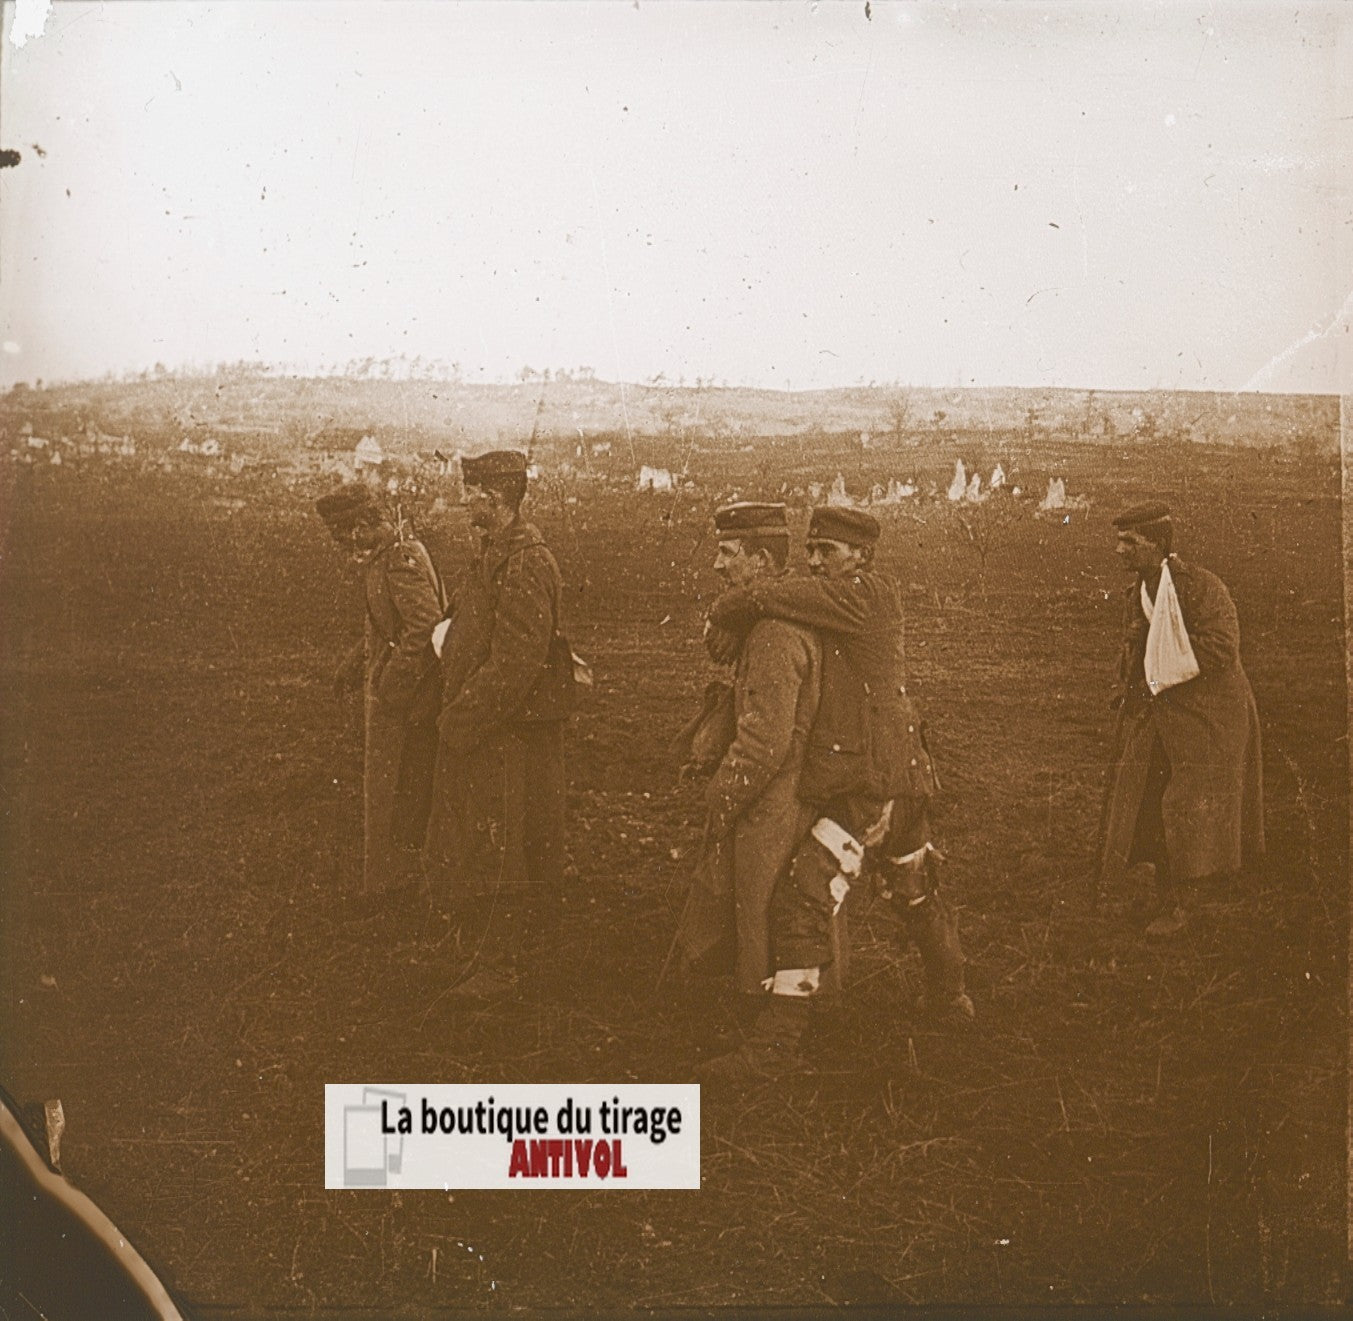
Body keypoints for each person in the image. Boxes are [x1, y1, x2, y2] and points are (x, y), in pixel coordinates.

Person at [697, 505, 972, 1085]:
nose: (816, 561)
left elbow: (770, 596)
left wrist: (727, 608)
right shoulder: (837, 601)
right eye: (811, 550)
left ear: (862, 555)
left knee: (805, 894)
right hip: (901, 771)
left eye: (829, 551)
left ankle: (777, 1042)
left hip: (872, 782)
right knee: (913, 885)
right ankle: (950, 992)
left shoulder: (869, 595)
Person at [672, 503, 831, 1036]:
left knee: (758, 907)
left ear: (762, 561)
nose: (717, 565)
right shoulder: (770, 624)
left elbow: (764, 742)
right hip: (786, 791)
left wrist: (721, 795)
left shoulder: (773, 634)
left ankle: (760, 1017)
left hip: (773, 799)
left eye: (728, 553)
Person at [421, 450, 573, 986]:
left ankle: (498, 966)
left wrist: (462, 719)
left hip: (506, 732)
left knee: (501, 847)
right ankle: (485, 953)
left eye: (472, 493)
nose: (465, 501)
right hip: (489, 728)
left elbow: (516, 662)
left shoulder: (526, 562)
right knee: (484, 841)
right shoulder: (495, 555)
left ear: (496, 498)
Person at [1097, 502, 1264, 938]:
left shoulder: (1202, 588)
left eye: (1129, 542)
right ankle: (1164, 892)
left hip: (1209, 717)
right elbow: (1138, 652)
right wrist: (1127, 681)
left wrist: (1157, 662)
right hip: (1162, 713)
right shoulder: (1139, 591)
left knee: (1187, 806)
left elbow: (1222, 645)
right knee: (1147, 797)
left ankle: (1185, 905)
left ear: (1156, 544)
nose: (1119, 550)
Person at [316, 485, 446, 904]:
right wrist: (355, 665)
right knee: (391, 792)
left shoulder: (399, 561)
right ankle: (387, 884)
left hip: (406, 702)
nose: (341, 545)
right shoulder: (387, 556)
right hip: (396, 694)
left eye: (342, 534)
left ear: (361, 526)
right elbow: (387, 624)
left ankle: (392, 890)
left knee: (398, 794)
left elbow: (424, 627)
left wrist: (389, 687)